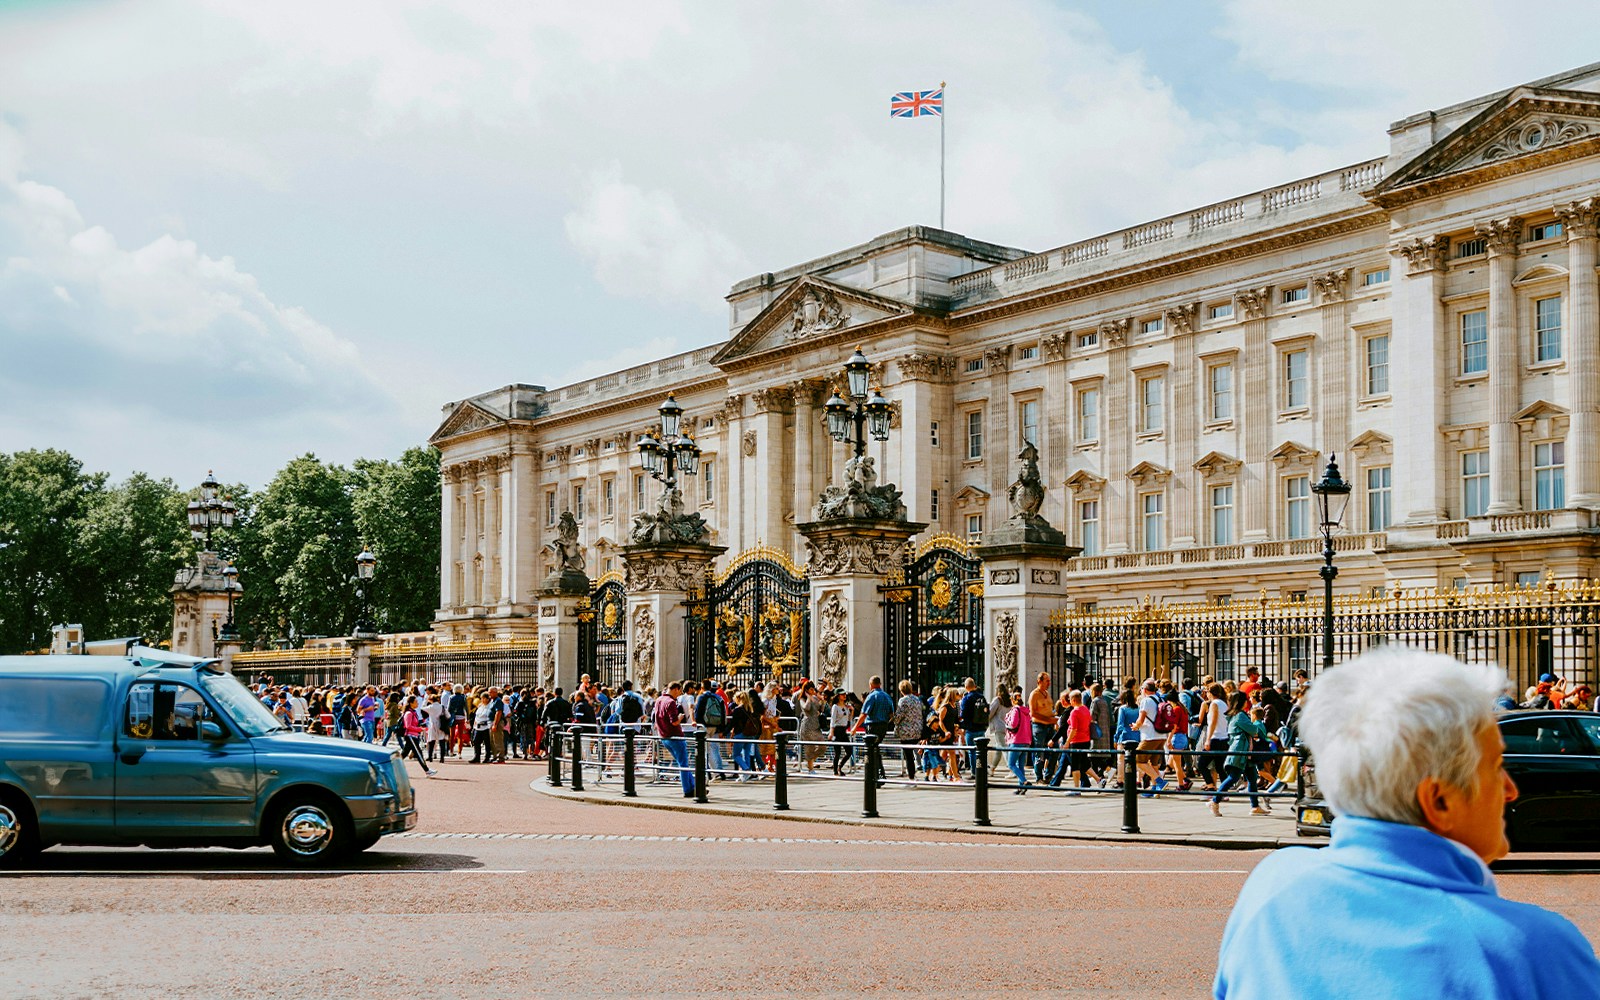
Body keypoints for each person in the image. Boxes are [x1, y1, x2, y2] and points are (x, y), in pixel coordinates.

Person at [1214, 650, 1600, 999]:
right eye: (1496, 767)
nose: (1511, 789)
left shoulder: (1271, 884)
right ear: (1439, 801)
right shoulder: (1532, 947)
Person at [1209, 692, 1268, 816]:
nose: (1247, 702)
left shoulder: (1236, 715)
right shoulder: (1240, 715)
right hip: (1241, 750)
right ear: (1241, 702)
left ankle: (1255, 806)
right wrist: (1256, 728)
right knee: (1234, 777)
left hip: (1245, 750)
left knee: (1252, 778)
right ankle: (1215, 801)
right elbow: (1253, 730)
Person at [654, 681, 695, 797]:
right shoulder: (671, 702)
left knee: (682, 763)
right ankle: (688, 790)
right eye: (680, 691)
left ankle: (693, 785)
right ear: (675, 689)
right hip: (675, 736)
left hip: (664, 736)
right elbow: (674, 722)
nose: (680, 694)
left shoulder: (659, 700)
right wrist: (681, 717)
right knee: (683, 764)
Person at [858, 675, 894, 783]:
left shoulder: (872, 696)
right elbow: (892, 714)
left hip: (872, 726)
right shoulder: (887, 696)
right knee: (876, 750)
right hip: (883, 726)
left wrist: (855, 727)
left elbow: (864, 714)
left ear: (871, 685)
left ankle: (876, 775)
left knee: (871, 750)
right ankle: (880, 773)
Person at [891, 680, 923, 779]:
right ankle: (917, 771)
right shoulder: (917, 699)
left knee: (908, 756)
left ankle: (911, 776)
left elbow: (899, 716)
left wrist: (894, 720)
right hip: (917, 729)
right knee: (916, 752)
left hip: (906, 732)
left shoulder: (903, 700)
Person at [1027, 672, 1056, 783]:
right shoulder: (1034, 694)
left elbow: (1048, 710)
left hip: (1050, 726)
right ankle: (1039, 777)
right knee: (1039, 752)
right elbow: (1033, 713)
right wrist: (1049, 719)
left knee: (1055, 749)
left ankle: (1048, 775)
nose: (1049, 683)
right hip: (1039, 726)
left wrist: (1055, 717)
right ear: (1040, 681)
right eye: (1047, 681)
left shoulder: (1047, 693)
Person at [1004, 695, 1032, 793]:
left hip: (1016, 740)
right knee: (1020, 765)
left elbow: (1013, 724)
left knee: (1011, 764)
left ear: (1013, 701)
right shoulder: (1026, 711)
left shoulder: (1015, 710)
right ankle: (1021, 788)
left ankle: (1024, 781)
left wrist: (1007, 720)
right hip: (1026, 740)